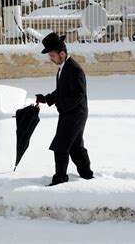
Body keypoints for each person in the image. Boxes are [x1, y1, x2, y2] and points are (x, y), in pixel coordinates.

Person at [36, 32, 94, 186]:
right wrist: (46, 99)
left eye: (52, 55)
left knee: (61, 146)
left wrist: (62, 106)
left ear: (62, 53)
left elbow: (78, 95)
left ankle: (60, 179)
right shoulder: (63, 68)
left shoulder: (75, 69)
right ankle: (87, 175)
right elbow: (61, 91)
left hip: (75, 113)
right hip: (70, 113)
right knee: (75, 147)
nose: (51, 58)